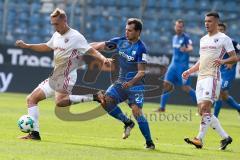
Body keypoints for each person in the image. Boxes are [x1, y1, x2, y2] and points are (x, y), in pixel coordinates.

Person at [15, 8, 109, 140]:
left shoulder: (76, 37)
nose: (54, 27)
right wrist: (28, 46)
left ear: (65, 21)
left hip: (67, 75)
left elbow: (91, 51)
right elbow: (47, 46)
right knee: (31, 99)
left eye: (56, 24)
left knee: (60, 102)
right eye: (52, 24)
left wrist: (104, 59)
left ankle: (95, 97)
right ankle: (34, 134)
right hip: (55, 75)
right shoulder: (56, 35)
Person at [90, 18, 155, 149]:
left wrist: (131, 83)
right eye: (126, 30)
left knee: (136, 111)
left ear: (138, 32)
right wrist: (83, 47)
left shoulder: (141, 48)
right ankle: (127, 122)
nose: (127, 32)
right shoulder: (120, 41)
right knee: (106, 100)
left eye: (130, 31)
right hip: (121, 82)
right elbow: (101, 45)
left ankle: (149, 142)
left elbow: (141, 72)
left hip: (135, 84)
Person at [182, 12, 238, 150]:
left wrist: (223, 61)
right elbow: (201, 61)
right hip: (200, 78)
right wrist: (190, 71)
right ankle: (226, 138)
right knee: (203, 112)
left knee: (205, 108)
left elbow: (234, 57)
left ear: (217, 22)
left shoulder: (224, 38)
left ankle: (199, 139)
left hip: (212, 78)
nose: (207, 23)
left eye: (210, 21)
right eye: (205, 21)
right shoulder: (203, 40)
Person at [155, 19, 196, 112]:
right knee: (166, 84)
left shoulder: (186, 37)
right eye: (177, 26)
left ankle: (202, 105)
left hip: (182, 66)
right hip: (173, 65)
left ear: (183, 28)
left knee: (186, 88)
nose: (179, 28)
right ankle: (162, 107)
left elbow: (191, 47)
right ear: (175, 27)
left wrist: (186, 49)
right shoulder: (174, 37)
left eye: (180, 27)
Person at [213, 22, 240, 117]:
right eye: (218, 30)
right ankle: (238, 107)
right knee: (224, 95)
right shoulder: (215, 42)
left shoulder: (232, 42)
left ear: (225, 31)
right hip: (219, 71)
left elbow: (239, 54)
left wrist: (232, 62)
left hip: (228, 73)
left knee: (219, 92)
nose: (220, 32)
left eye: (222, 30)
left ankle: (214, 117)